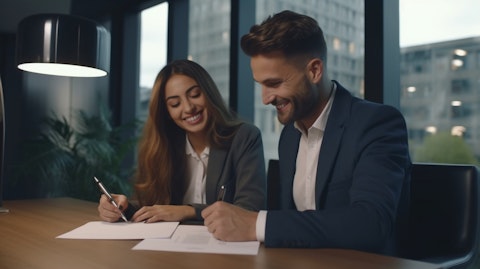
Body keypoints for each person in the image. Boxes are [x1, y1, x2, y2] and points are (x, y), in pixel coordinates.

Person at [201, 10, 411, 255]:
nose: (266, 98)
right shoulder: (290, 135)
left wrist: (255, 223)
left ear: (314, 71)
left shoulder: (376, 123)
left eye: (274, 83)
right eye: (261, 85)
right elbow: (293, 225)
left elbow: (371, 224)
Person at [98, 59, 266, 223]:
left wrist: (189, 211)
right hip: (171, 247)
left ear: (209, 93)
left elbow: (249, 210)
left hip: (225, 246)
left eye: (195, 95)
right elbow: (153, 205)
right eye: (175, 104)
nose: (188, 108)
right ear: (167, 112)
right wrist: (122, 208)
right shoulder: (163, 147)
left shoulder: (244, 137)